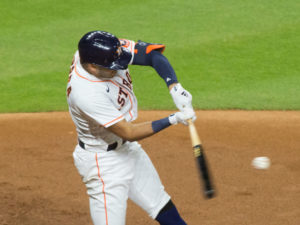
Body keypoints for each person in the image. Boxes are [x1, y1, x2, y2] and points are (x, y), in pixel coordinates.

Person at [66, 30, 196, 225]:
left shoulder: (102, 52)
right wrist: (173, 119)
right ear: (92, 67)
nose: (119, 68)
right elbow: (129, 132)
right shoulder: (85, 93)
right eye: (112, 67)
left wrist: (174, 87)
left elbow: (152, 55)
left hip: (127, 149)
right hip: (102, 164)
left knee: (161, 204)